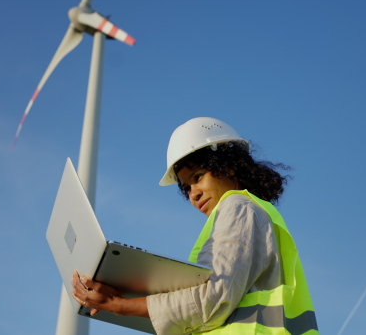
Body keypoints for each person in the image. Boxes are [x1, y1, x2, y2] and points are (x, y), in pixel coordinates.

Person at [71, 117, 318, 334]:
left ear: (229, 165)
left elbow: (213, 299)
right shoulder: (252, 212)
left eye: (198, 177)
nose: (193, 194)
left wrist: (120, 305)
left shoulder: (237, 207)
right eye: (187, 187)